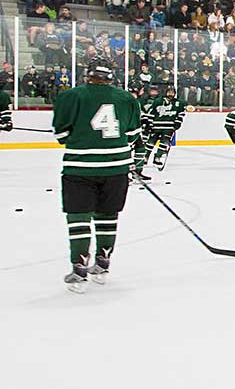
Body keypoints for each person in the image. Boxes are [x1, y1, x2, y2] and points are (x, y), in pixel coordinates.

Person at [52, 62, 140, 293]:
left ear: (88, 76)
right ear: (111, 77)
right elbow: (132, 134)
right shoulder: (127, 98)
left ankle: (79, 270)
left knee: (79, 216)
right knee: (107, 215)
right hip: (117, 168)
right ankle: (102, 265)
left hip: (81, 168)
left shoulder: (71, 96)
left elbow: (61, 134)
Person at [133, 85, 184, 177]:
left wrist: (178, 122)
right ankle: (146, 157)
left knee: (164, 143)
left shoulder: (179, 103)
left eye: (172, 92)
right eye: (169, 92)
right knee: (150, 143)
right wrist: (150, 124)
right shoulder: (158, 101)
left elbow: (181, 114)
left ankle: (157, 157)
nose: (170, 94)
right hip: (156, 126)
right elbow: (152, 113)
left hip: (169, 127)